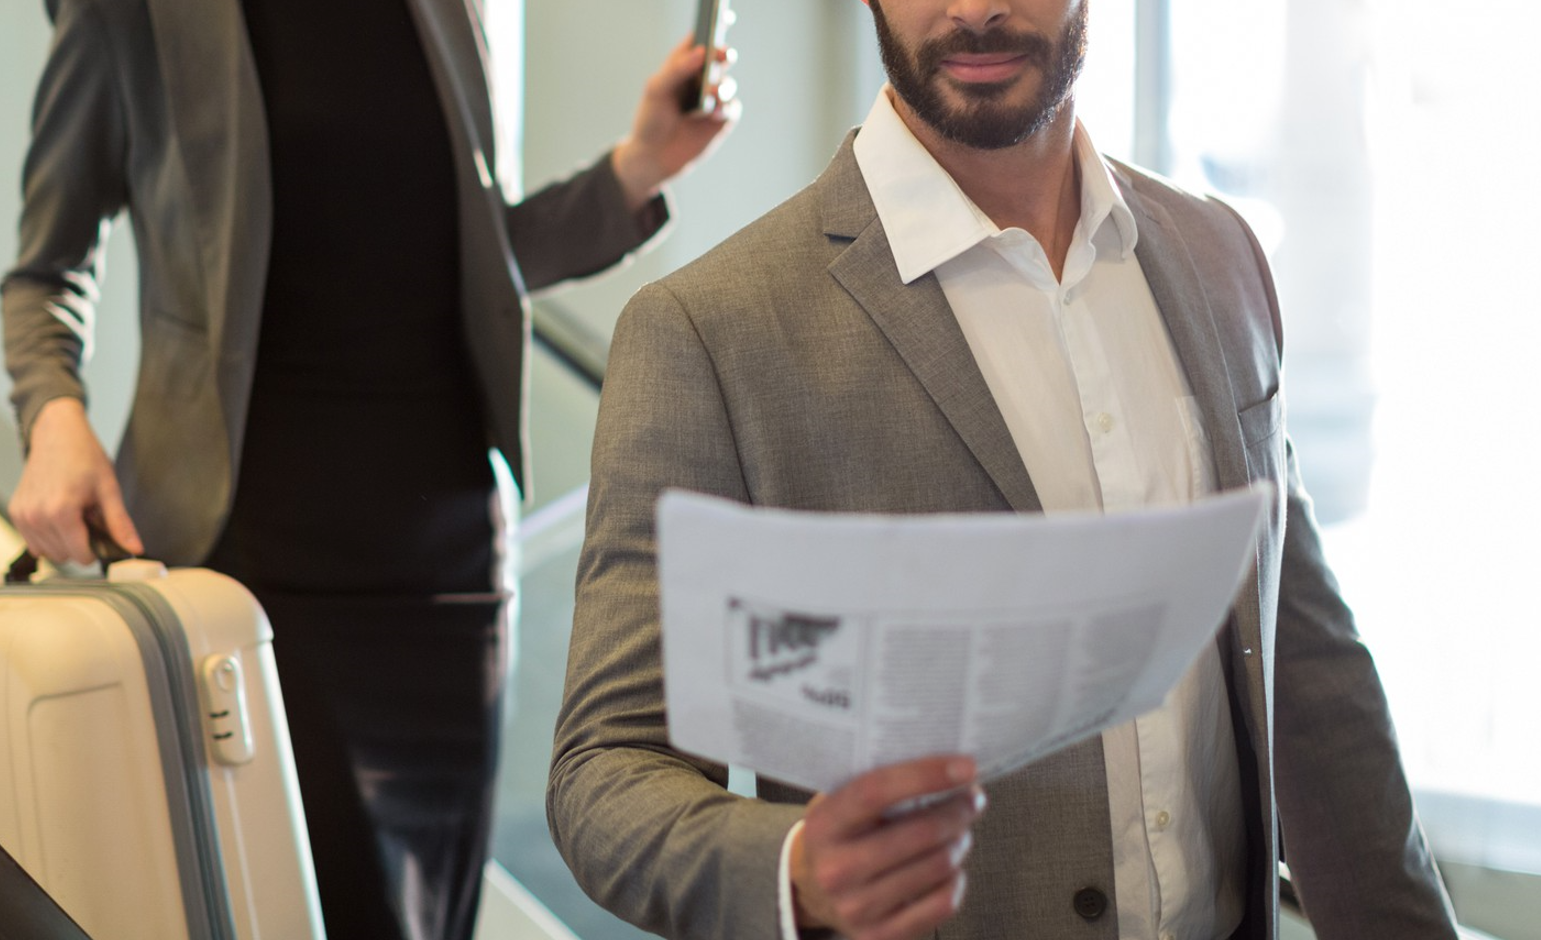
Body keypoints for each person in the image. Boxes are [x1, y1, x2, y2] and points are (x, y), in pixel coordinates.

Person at [545, 1, 1461, 938]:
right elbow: (605, 769)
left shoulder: (1218, 255)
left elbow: (1306, 671)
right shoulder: (709, 333)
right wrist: (792, 872)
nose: (974, 7)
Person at [1, 1, 737, 938]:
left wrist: (640, 164)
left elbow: (471, 258)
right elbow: (43, 271)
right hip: (251, 574)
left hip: (451, 578)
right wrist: (54, 414)